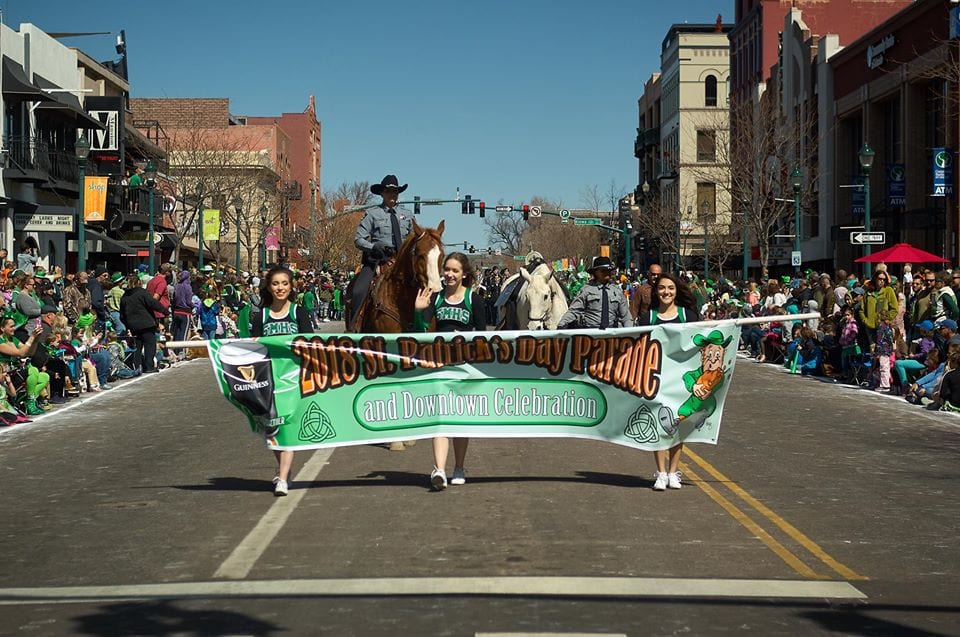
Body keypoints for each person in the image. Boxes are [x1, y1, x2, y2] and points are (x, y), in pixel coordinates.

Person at [413, 252, 487, 491]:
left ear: (464, 274)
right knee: (441, 418)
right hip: (440, 366)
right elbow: (421, 333)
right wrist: (418, 311)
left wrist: (467, 342)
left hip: (465, 367)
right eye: (447, 270)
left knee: (459, 421)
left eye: (455, 270)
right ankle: (439, 470)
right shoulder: (435, 299)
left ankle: (459, 467)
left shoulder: (473, 299)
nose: (449, 274)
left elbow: (483, 336)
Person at [249, 266, 312, 496]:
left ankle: (283, 479)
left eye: (285, 283)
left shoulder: (299, 313)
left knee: (286, 428)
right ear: (268, 286)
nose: (280, 288)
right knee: (272, 431)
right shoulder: (261, 316)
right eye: (276, 283)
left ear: (291, 285)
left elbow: (311, 345)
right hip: (268, 381)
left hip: (293, 381)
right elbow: (251, 348)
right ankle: (282, 468)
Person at [637, 272, 701, 491]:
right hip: (657, 380)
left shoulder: (688, 316)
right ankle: (661, 473)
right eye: (662, 288)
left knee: (678, 427)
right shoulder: (648, 318)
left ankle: (674, 472)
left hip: (681, 381)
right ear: (656, 291)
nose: (666, 292)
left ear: (676, 291)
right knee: (658, 426)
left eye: (671, 288)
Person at [350, 175, 413, 327]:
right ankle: (354, 325)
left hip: (403, 262)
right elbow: (359, 239)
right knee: (358, 290)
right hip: (378, 261)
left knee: (424, 287)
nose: (392, 194)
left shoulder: (408, 215)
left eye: (395, 191)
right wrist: (373, 247)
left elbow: (414, 239)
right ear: (382, 193)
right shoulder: (372, 214)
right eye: (388, 191)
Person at [557, 256, 632, 329]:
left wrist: (631, 334)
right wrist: (561, 326)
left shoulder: (617, 291)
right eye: (603, 270)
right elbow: (574, 310)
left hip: (611, 335)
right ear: (596, 272)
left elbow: (626, 316)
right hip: (591, 336)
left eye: (609, 270)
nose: (607, 273)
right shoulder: (587, 290)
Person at [119, 274, 168, 375]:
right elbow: (153, 303)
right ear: (138, 283)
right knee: (150, 346)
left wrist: (128, 325)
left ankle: (137, 367)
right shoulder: (142, 293)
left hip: (133, 326)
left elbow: (122, 315)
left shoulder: (124, 297)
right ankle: (149, 366)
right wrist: (164, 311)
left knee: (137, 346)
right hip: (146, 323)